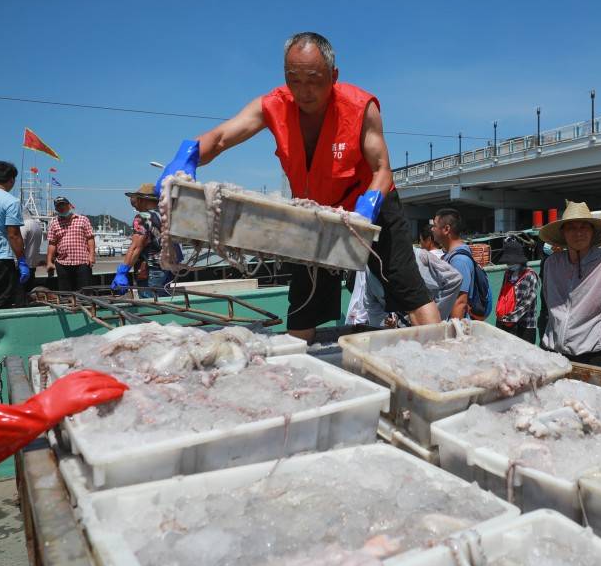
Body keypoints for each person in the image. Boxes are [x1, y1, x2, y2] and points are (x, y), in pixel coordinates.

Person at [153, 31, 439, 341]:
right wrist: (188, 155)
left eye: (314, 79)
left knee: (407, 286)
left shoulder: (361, 107)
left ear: (334, 75)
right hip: (317, 213)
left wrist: (367, 207)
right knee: (303, 303)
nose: (304, 91)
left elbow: (382, 169)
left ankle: (443, 354)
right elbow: (221, 137)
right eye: (294, 79)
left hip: (372, 207)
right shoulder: (272, 105)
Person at [538, 201, 601, 366]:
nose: (578, 233)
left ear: (592, 232)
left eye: (584, 227)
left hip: (594, 355)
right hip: (552, 354)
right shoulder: (551, 264)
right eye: (571, 228)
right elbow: (547, 301)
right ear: (563, 233)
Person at [112, 183, 172, 296]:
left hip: (150, 272)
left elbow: (135, 247)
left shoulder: (142, 217)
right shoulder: (166, 216)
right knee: (164, 304)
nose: (135, 206)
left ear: (142, 200)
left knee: (151, 306)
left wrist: (122, 271)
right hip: (167, 269)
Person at [432, 208, 491, 320]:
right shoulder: (450, 256)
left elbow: (459, 302)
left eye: (435, 225)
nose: (432, 229)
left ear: (446, 229)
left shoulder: (459, 260)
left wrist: (454, 334)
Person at [494, 238, 539, 344]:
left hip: (525, 326)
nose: (509, 264)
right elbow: (503, 295)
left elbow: (526, 303)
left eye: (511, 261)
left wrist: (509, 319)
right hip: (506, 322)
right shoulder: (508, 273)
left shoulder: (530, 276)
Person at [46, 196, 96, 292]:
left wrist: (92, 255)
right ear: (56, 209)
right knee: (65, 294)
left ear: (69, 205)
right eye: (58, 206)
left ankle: (86, 306)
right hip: (62, 263)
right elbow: (52, 243)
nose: (61, 208)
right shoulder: (54, 223)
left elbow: (90, 238)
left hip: (82, 262)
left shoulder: (83, 219)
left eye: (63, 205)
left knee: (85, 293)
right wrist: (49, 261)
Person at [0, 161, 27, 310]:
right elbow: (13, 235)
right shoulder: (11, 201)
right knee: (1, 302)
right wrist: (21, 260)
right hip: (0, 259)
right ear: (11, 180)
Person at [21, 216, 43, 294]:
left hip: (21, 266)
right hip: (31, 265)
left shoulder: (23, 225)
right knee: (28, 292)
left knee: (19, 293)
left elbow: (20, 245)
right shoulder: (36, 225)